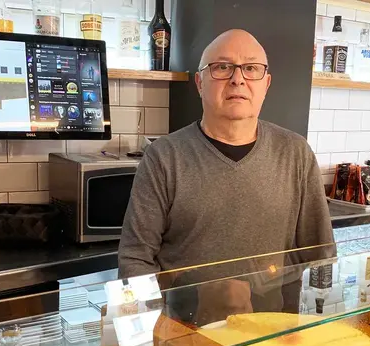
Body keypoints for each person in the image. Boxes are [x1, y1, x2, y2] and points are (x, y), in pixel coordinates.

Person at [118, 29, 335, 321]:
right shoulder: (164, 157)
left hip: (272, 335)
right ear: (199, 82)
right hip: (188, 335)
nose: (238, 79)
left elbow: (320, 252)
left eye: (251, 68)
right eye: (222, 67)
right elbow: (135, 259)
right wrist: (154, 332)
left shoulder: (296, 153)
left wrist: (316, 325)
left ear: (266, 83)